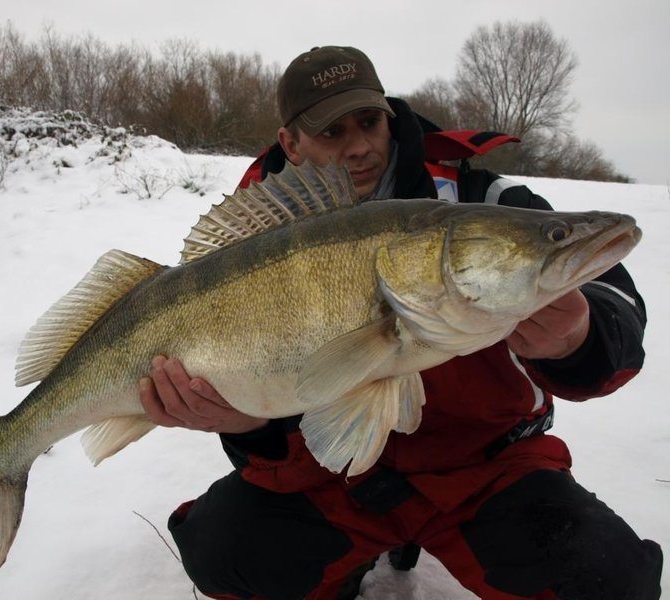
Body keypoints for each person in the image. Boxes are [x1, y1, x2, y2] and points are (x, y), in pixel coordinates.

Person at [139, 46, 663, 599]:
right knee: (224, 552)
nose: (359, 146)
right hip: (331, 477)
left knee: (611, 582)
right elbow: (268, 412)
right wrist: (248, 425)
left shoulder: (484, 201)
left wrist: (579, 337)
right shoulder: (255, 240)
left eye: (369, 122)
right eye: (332, 132)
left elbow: (617, 304)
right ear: (290, 144)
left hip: (485, 473)